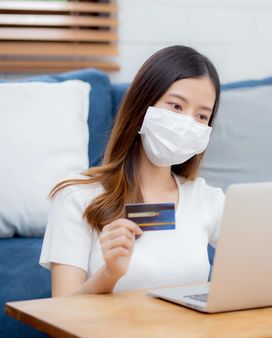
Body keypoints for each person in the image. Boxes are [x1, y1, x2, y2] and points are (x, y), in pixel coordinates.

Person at [39, 45, 225, 297]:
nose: (188, 124)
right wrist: (110, 273)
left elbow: (263, 264)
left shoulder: (208, 199)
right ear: (142, 106)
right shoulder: (77, 196)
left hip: (192, 335)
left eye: (202, 116)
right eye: (177, 107)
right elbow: (59, 314)